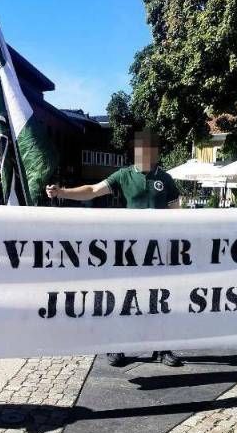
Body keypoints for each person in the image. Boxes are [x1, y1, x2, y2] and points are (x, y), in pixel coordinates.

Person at [46, 128, 183, 368]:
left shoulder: (166, 179)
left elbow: (177, 215)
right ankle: (117, 344)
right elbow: (92, 191)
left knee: (159, 298)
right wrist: (62, 192)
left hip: (158, 251)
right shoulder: (123, 175)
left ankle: (162, 347)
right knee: (124, 297)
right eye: (142, 149)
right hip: (129, 250)